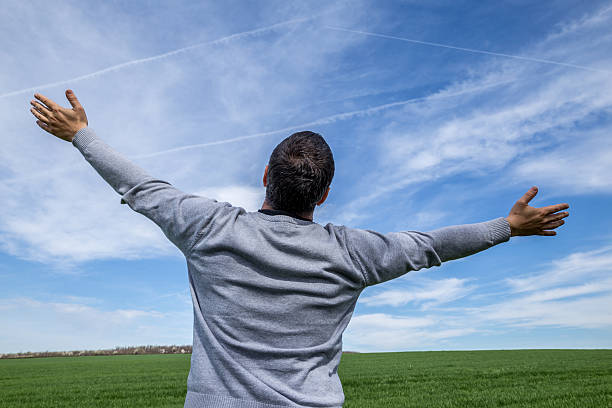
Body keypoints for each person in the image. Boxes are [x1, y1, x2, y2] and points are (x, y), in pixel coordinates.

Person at [29, 90, 569, 408]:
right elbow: (430, 245)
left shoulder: (208, 228)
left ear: (265, 177)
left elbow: (144, 188)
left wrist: (82, 134)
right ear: (326, 193)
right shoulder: (353, 253)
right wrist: (508, 226)